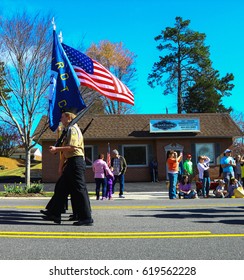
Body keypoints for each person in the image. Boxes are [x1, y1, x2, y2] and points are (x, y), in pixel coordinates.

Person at [41, 108, 93, 226]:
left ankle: (86, 218)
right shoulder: (68, 129)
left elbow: (73, 147)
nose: (60, 118)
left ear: (69, 117)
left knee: (79, 190)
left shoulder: (73, 129)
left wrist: (56, 149)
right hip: (71, 162)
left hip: (76, 162)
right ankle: (54, 214)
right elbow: (67, 150)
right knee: (61, 187)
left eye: (62, 116)